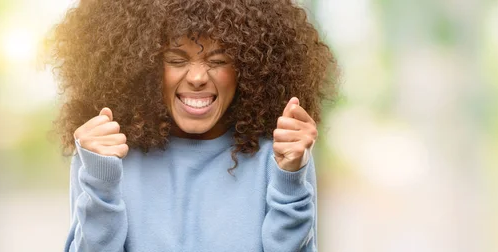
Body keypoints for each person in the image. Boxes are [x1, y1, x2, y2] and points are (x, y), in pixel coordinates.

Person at [47, 0, 337, 251]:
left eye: (218, 60)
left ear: (248, 68)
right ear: (144, 67)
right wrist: (101, 180)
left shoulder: (278, 155)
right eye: (176, 59)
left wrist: (290, 178)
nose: (197, 76)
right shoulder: (105, 152)